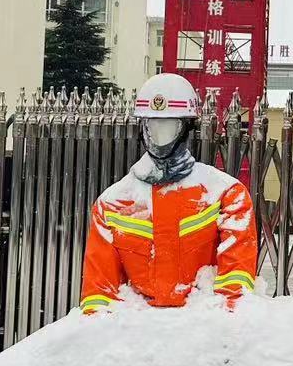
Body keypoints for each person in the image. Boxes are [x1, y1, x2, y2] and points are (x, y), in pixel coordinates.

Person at [80, 72, 257, 314]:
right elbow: (99, 296)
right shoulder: (112, 204)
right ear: (142, 128)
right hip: (140, 331)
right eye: (152, 126)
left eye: (169, 126)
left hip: (201, 328)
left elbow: (235, 290)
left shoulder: (226, 195)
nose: (158, 137)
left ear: (187, 129)